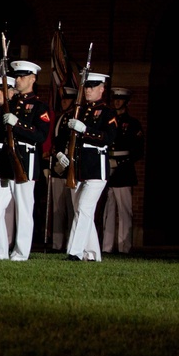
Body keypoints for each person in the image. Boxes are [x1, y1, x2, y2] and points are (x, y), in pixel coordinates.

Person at [0, 60, 49, 261]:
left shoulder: (39, 106)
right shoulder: (8, 104)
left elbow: (41, 135)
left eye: (22, 76)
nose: (19, 79)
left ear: (32, 78)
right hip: (5, 162)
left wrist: (18, 123)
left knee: (23, 208)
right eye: (17, 76)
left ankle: (21, 253)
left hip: (24, 161)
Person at [59, 71, 118, 262]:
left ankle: (75, 252)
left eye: (93, 87)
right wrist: (60, 153)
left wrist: (85, 129)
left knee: (84, 208)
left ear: (102, 89)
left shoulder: (108, 112)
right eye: (87, 87)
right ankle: (92, 254)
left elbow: (108, 138)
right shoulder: (80, 110)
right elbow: (64, 137)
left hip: (96, 168)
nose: (88, 90)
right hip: (79, 168)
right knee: (82, 211)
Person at [102, 86, 144, 253]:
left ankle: (124, 247)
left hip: (123, 170)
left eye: (120, 99)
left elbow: (138, 150)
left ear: (127, 102)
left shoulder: (133, 123)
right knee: (108, 210)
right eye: (115, 99)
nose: (117, 102)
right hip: (108, 166)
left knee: (124, 211)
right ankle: (106, 246)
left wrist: (120, 163)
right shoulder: (110, 120)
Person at [47, 86, 78, 252]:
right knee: (58, 209)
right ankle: (57, 243)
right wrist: (58, 156)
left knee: (72, 207)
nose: (64, 102)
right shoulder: (61, 118)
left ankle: (72, 242)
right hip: (59, 166)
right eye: (63, 99)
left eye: (67, 99)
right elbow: (56, 140)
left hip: (71, 167)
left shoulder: (76, 117)